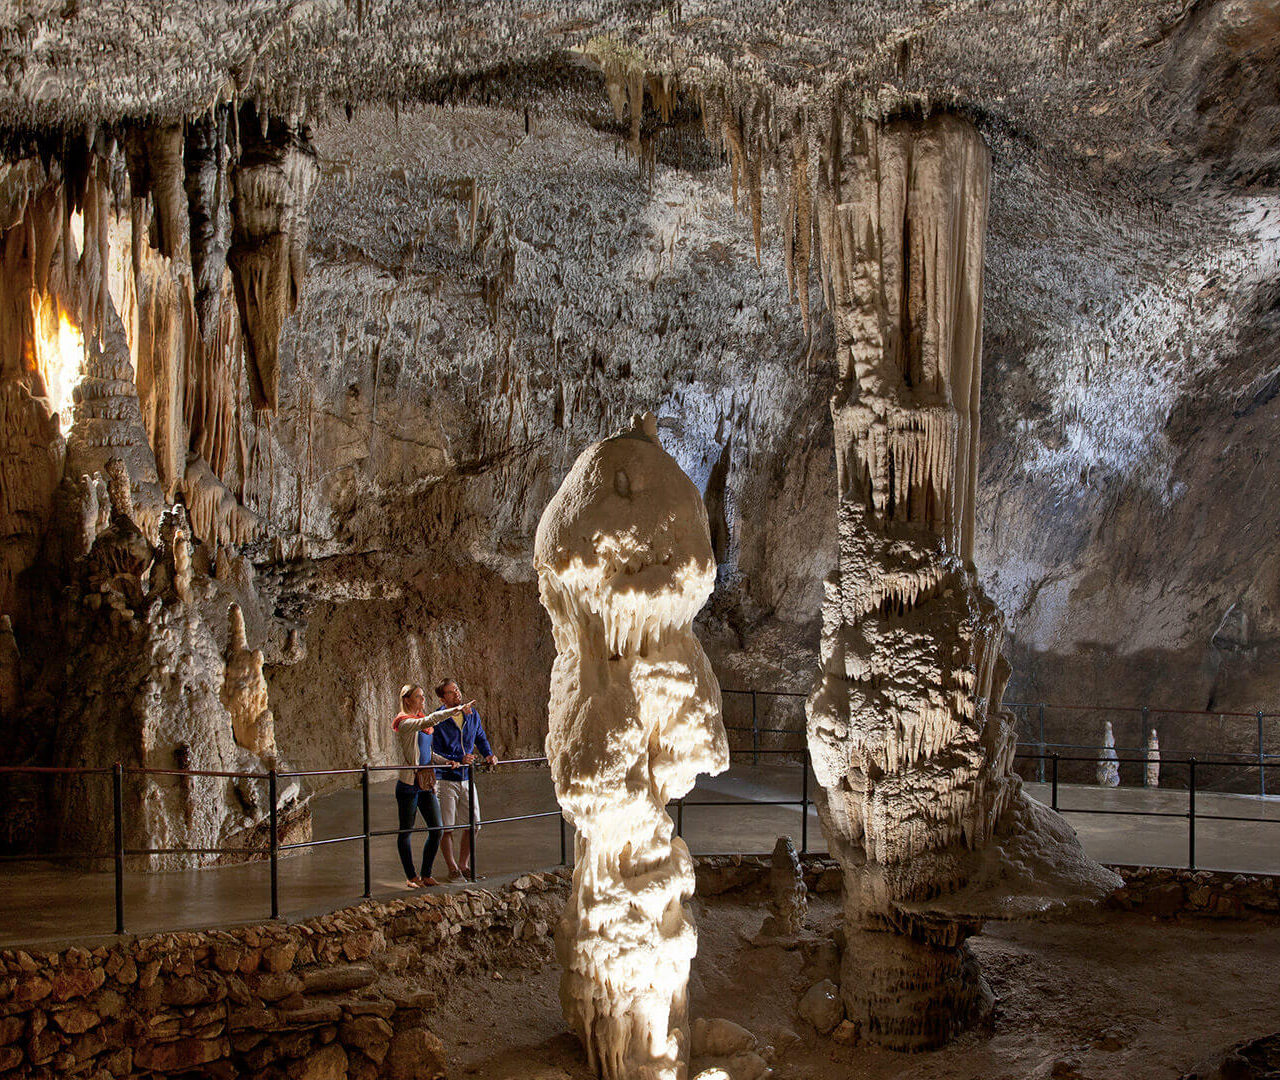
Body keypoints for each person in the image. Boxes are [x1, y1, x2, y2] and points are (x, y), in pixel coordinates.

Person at [391, 684, 459, 888]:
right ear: (407, 699)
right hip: (409, 784)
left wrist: (446, 761)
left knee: (437, 829)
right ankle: (411, 877)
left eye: (423, 696)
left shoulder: (420, 721)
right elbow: (429, 720)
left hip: (425, 783)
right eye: (418, 696)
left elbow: (427, 753)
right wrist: (454, 710)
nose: (423, 700)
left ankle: (426, 874)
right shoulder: (405, 722)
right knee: (406, 831)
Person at [431, 678, 498, 880]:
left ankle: (464, 864)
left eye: (457, 689)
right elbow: (434, 751)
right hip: (446, 779)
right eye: (451, 692)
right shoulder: (437, 719)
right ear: (442, 698)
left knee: (474, 824)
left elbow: (480, 736)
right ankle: (452, 868)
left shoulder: (471, 714)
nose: (457, 694)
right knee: (447, 827)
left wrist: (489, 754)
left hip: (467, 777)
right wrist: (457, 758)